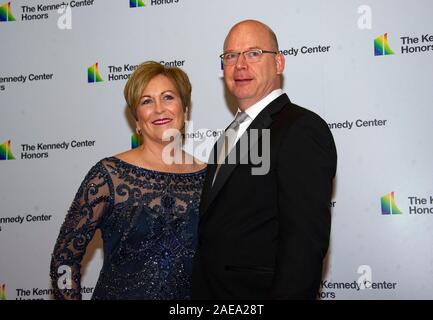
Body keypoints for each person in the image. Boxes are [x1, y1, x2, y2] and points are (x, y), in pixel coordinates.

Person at [191, 20, 337, 299]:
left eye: (254, 53)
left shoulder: (300, 129)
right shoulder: (226, 137)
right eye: (231, 56)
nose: (240, 65)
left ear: (279, 63)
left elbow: (304, 246)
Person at [50, 61, 206, 300]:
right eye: (146, 101)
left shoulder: (210, 178)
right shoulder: (109, 175)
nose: (158, 109)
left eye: (168, 97)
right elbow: (64, 258)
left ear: (185, 111)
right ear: (137, 120)